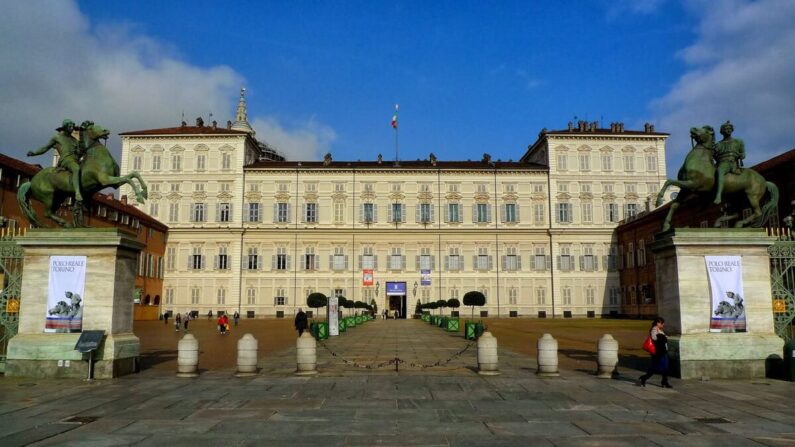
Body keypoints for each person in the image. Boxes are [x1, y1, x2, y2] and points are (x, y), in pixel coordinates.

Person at [26, 119, 84, 202]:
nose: (72, 128)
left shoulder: (75, 140)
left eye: (73, 127)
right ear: (65, 127)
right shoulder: (57, 137)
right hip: (66, 160)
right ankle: (77, 193)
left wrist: (80, 152)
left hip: (75, 160)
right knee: (76, 169)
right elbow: (45, 148)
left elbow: (79, 153)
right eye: (70, 126)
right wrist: (34, 153)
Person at [713, 121, 746, 204]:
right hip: (722, 163)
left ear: (732, 130)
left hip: (732, 164)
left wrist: (741, 155)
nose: (728, 130)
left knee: (720, 171)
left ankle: (719, 195)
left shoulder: (738, 142)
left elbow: (743, 154)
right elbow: (713, 155)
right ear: (722, 131)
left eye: (729, 128)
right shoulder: (718, 144)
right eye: (726, 129)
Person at [638, 317, 672, 388]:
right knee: (655, 367)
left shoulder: (658, 330)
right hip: (658, 352)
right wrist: (663, 337)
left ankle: (664, 381)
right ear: (658, 323)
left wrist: (664, 337)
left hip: (663, 351)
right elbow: (655, 339)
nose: (663, 324)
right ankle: (644, 378)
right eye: (662, 323)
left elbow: (663, 338)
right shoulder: (654, 329)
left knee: (665, 367)